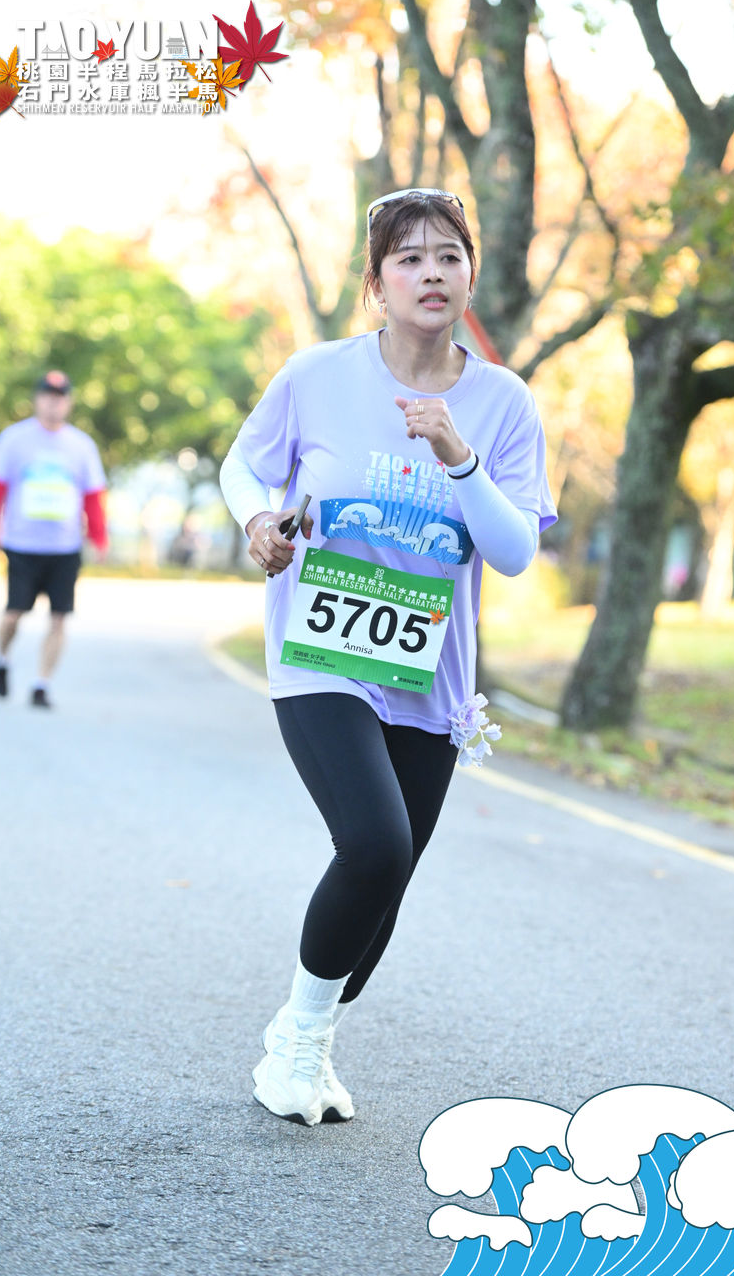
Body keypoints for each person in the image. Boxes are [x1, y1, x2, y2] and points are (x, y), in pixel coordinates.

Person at [220, 188, 557, 1126]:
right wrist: (256, 518)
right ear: (376, 284)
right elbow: (243, 464)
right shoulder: (317, 375)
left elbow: (513, 551)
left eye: (448, 255)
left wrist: (457, 454)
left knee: (386, 885)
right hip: (319, 647)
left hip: (428, 674)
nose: (430, 273)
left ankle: (306, 1030)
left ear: (469, 276)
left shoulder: (501, 402)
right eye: (408, 259)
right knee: (375, 844)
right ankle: (297, 1044)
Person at [0, 370, 108, 708]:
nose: (54, 404)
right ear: (38, 399)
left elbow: (93, 496)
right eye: (48, 397)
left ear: (68, 402)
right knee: (14, 613)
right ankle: (1, 658)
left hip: (64, 547)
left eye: (60, 398)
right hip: (22, 545)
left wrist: (99, 537)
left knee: (59, 618)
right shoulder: (14, 440)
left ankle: (41, 685)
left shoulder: (81, 446)